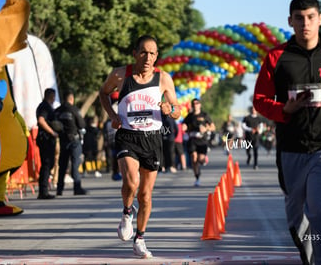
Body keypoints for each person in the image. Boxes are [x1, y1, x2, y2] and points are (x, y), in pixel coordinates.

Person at [253, 0, 321, 265]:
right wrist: (284, 111)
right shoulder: (277, 57)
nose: (306, 23)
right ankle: (310, 257)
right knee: (296, 217)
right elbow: (259, 100)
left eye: (311, 17)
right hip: (291, 148)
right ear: (290, 21)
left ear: (320, 19)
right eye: (299, 18)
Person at [99, 35, 180, 258]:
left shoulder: (163, 78)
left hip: (152, 139)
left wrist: (169, 110)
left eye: (152, 53)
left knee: (145, 194)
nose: (148, 57)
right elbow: (103, 93)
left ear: (157, 57)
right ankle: (127, 213)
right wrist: (113, 115)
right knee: (131, 181)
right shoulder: (120, 74)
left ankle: (140, 238)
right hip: (127, 135)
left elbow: (178, 109)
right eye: (143, 52)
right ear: (135, 53)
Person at [55, 90, 87, 196]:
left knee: (62, 165)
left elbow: (53, 123)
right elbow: (82, 124)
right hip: (74, 140)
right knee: (75, 164)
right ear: (72, 99)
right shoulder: (74, 109)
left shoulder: (57, 111)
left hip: (63, 140)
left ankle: (59, 189)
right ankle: (77, 188)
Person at [182, 98, 215, 187]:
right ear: (192, 105)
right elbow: (184, 125)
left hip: (202, 140)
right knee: (193, 158)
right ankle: (197, 177)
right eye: (194, 103)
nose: (195, 104)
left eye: (197, 103)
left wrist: (206, 128)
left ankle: (204, 159)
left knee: (200, 159)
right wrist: (184, 127)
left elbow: (213, 127)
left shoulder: (205, 115)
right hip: (192, 139)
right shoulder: (189, 116)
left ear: (200, 105)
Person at [35, 88, 59, 199]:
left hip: (47, 139)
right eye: (53, 96)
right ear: (51, 96)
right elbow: (41, 120)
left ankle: (43, 190)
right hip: (45, 139)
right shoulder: (44, 107)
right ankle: (43, 191)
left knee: (48, 165)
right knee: (46, 164)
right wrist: (52, 132)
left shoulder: (46, 106)